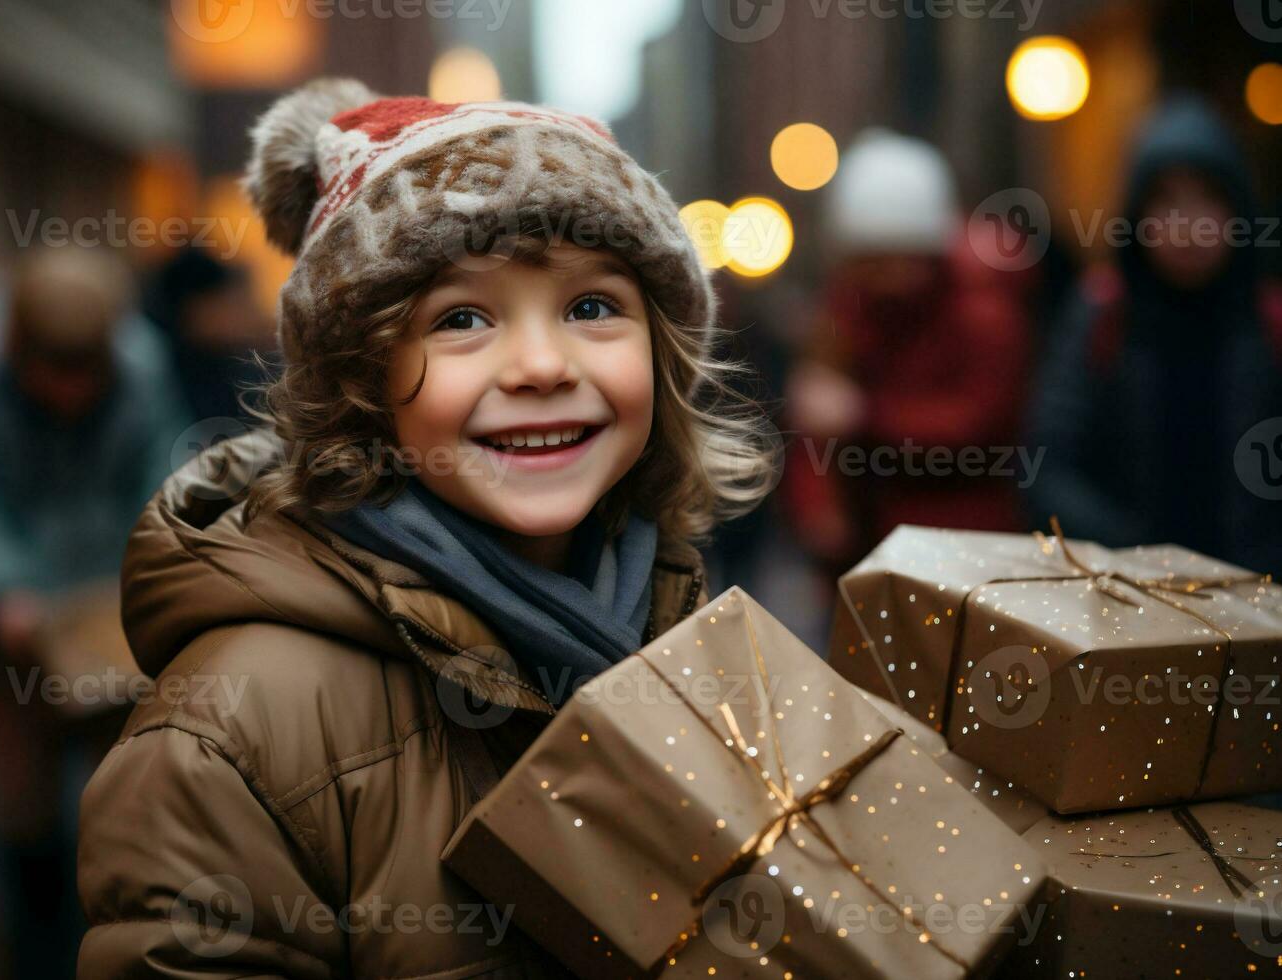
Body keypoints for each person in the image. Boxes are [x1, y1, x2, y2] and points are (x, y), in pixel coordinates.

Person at [75, 77, 781, 976]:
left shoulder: (682, 627)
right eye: (462, 318)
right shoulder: (225, 743)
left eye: (592, 307)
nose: (538, 364)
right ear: (361, 383)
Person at [0, 245, 190, 980]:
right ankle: (15, 947)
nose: (75, 392)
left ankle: (127, 943)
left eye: (86, 373)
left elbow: (162, 468)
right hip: (10, 623)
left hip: (109, 613)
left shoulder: (140, 363)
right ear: (14, 349)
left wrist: (149, 570)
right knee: (15, 801)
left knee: (127, 790)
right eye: (57, 374)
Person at [1027, 96, 1282, 574]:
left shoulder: (1269, 323)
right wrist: (1138, 558)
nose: (1187, 225)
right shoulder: (1102, 315)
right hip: (1125, 597)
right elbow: (1048, 467)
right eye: (1166, 201)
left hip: (1261, 603)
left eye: (1206, 199)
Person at [783, 130, 1030, 576]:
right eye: (873, 261)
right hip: (871, 546)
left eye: (900, 259)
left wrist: (865, 416)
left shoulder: (982, 310)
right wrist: (817, 506)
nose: (889, 277)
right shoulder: (849, 309)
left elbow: (980, 422)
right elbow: (817, 418)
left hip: (965, 545)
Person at [142, 246, 274, 424]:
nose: (237, 314)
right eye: (226, 302)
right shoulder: (158, 373)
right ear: (193, 309)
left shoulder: (229, 362)